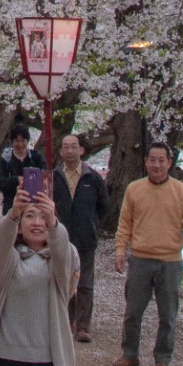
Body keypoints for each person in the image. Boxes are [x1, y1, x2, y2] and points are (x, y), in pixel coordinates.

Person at [111, 143, 183, 366]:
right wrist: (120, 251)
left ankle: (162, 359)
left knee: (168, 314)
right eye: (153, 160)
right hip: (140, 259)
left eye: (162, 160)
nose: (157, 165)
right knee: (132, 312)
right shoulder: (134, 189)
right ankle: (129, 354)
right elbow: (124, 224)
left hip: (170, 261)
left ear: (169, 162)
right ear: (146, 161)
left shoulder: (182, 191)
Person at [0, 188, 77, 366]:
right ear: (20, 225)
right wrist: (14, 213)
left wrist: (53, 222)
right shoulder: (10, 259)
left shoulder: (61, 259)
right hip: (8, 357)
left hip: (47, 358)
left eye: (42, 217)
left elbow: (62, 249)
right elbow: (2, 240)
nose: (36, 223)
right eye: (30, 216)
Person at [52, 132, 109, 342]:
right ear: (61, 151)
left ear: (81, 150)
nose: (70, 150)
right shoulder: (54, 176)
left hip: (86, 238)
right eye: (65, 147)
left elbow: (103, 206)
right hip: (61, 237)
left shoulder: (92, 177)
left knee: (85, 282)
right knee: (63, 280)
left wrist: (92, 223)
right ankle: (67, 321)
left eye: (73, 146)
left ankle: (83, 325)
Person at [0, 129, 45, 214]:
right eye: (17, 141)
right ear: (12, 142)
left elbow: (45, 176)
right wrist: (16, 180)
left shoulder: (36, 157)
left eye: (23, 141)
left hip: (33, 204)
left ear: (27, 141)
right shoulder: (5, 160)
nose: (20, 144)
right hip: (11, 204)